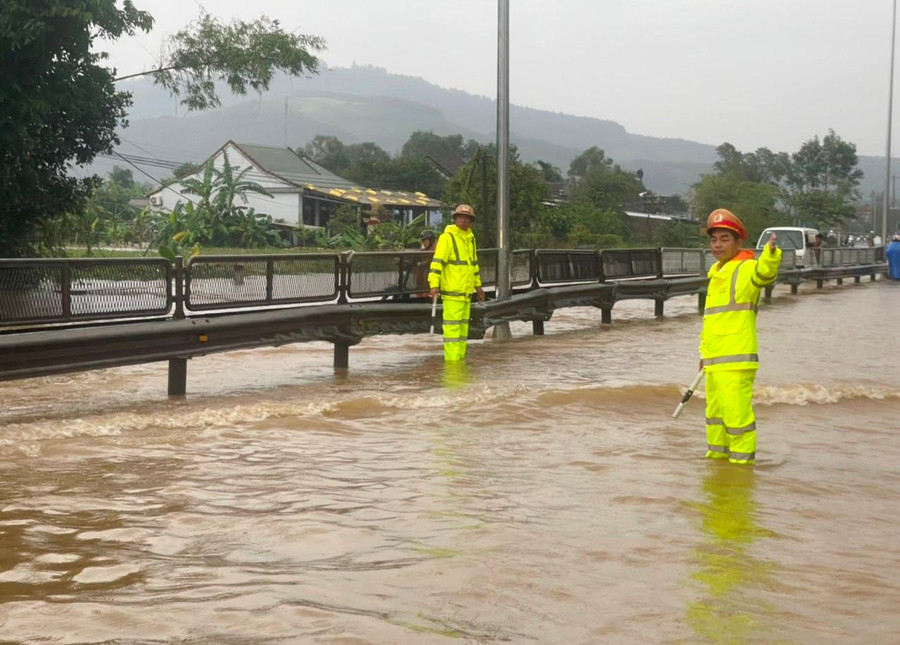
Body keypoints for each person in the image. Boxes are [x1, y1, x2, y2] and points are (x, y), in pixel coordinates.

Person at [700, 208, 782, 465]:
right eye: (714, 239)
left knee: (737, 419)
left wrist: (770, 254)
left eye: (725, 239)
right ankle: (717, 461)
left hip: (735, 362)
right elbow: (713, 321)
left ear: (739, 242)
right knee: (715, 417)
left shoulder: (745, 268)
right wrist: (704, 356)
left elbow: (764, 275)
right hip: (714, 361)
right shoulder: (716, 273)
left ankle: (741, 470)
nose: (717, 245)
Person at [428, 204, 484, 361]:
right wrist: (433, 285)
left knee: (462, 332)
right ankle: (452, 366)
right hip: (452, 294)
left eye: (466, 218)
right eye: (460, 217)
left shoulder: (470, 238)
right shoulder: (447, 238)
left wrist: (478, 286)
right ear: (455, 219)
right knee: (452, 332)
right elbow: (437, 262)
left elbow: (473, 264)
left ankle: (460, 364)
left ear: (471, 221)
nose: (463, 220)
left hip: (466, 294)